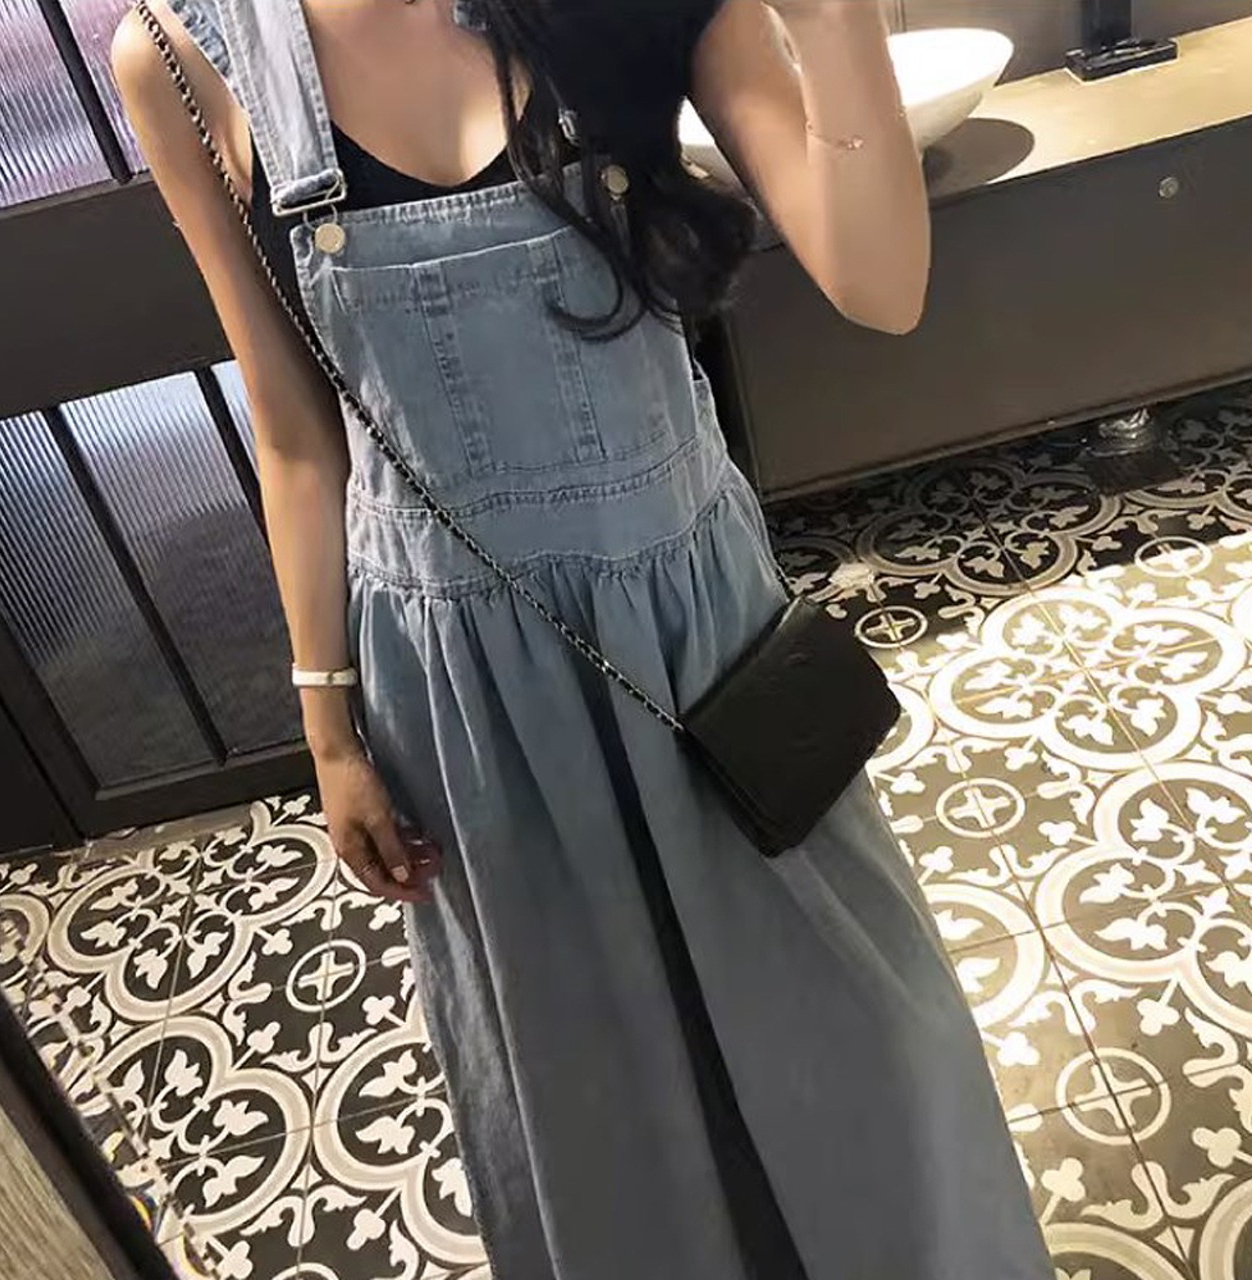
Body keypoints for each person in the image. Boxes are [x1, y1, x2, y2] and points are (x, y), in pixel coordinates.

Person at [113, 1, 1055, 1275]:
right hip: (459, 685)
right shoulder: (179, 55)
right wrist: (326, 725)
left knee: (862, 1032)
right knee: (598, 1098)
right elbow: (292, 431)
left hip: (699, 631)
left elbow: (881, 285)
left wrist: (832, 18)